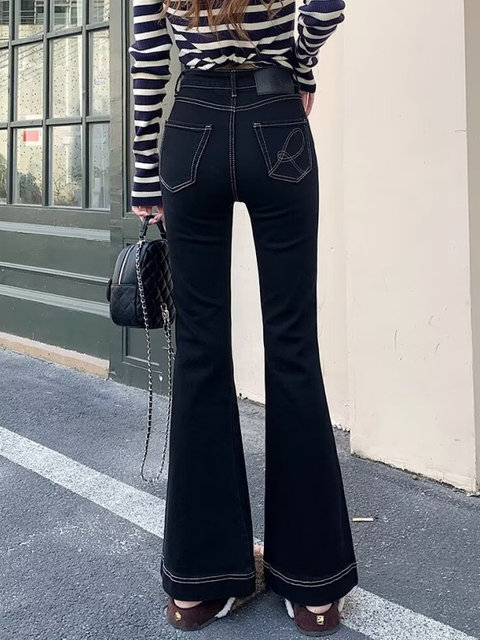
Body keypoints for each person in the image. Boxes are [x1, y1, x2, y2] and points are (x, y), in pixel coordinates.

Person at [129, 0, 358, 634]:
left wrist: (145, 174)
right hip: (275, 118)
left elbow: (148, 54)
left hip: (192, 129)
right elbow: (326, 6)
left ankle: (198, 589)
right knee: (293, 345)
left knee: (199, 351)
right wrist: (301, 66)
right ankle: (313, 592)